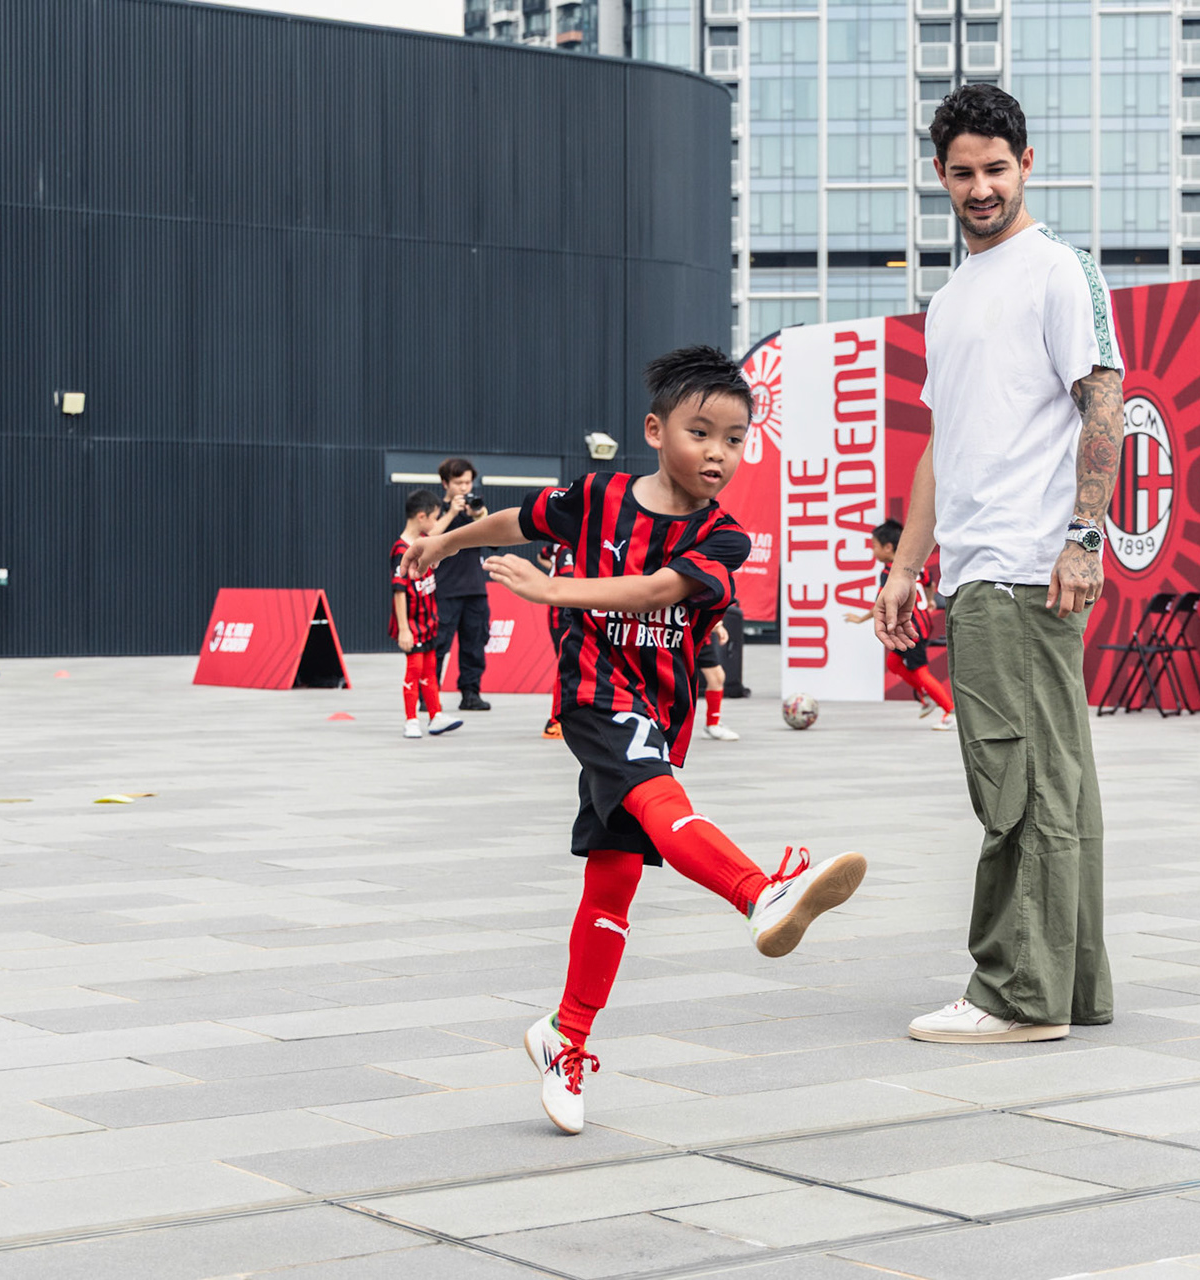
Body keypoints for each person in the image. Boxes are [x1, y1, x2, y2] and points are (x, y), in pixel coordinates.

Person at [400, 346, 867, 1134]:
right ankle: (761, 894)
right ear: (656, 430)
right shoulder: (597, 494)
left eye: (735, 438)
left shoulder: (726, 540)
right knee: (661, 805)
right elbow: (524, 519)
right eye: (700, 432)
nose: (718, 453)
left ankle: (564, 1037)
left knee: (614, 879)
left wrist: (552, 588)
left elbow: (658, 589)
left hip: (663, 707)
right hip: (593, 692)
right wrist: (448, 543)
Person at [874, 85, 1125, 1045]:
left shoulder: (1057, 270)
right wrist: (905, 567)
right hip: (975, 565)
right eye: (963, 172)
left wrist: (1084, 537)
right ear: (940, 175)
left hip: (1028, 562)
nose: (981, 187)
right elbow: (947, 440)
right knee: (1055, 775)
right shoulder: (951, 299)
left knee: (1017, 779)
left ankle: (1016, 996)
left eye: (997, 168)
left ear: (1027, 163)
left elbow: (1104, 403)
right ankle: (1072, 985)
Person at [845, 519, 956, 731]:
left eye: (874, 546)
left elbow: (884, 602)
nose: (873, 551)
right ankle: (925, 696)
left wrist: (861, 619)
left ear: (888, 547)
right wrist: (930, 600)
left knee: (921, 671)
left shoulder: (890, 572)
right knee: (894, 664)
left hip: (910, 629)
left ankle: (949, 711)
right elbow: (930, 583)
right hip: (922, 625)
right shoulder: (916, 565)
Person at [391, 492, 464, 740]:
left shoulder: (423, 541)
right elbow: (399, 592)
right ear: (421, 517)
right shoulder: (401, 550)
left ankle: (435, 716)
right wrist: (404, 628)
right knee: (415, 668)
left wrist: (452, 513)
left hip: (429, 621)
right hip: (413, 624)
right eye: (434, 517)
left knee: (431, 669)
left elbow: (438, 534)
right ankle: (411, 719)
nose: (437, 522)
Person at [434, 458, 494, 712]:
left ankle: (471, 693)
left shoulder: (475, 510)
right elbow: (427, 539)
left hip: (475, 588)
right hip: (445, 588)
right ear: (445, 483)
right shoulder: (435, 509)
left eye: (468, 482)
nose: (464, 488)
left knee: (474, 645)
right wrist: (450, 512)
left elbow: (494, 539)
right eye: (459, 483)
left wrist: (479, 515)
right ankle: (428, 693)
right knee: (437, 645)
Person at [537, 542, 576, 739]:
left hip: (558, 617)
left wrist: (552, 570)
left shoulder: (556, 547)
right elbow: (569, 582)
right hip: (564, 617)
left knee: (568, 669)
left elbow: (541, 555)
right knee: (566, 669)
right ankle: (554, 722)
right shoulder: (567, 548)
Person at [697, 620, 739, 741]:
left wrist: (717, 624)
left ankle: (712, 724)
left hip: (701, 635)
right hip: (678, 633)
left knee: (717, 677)